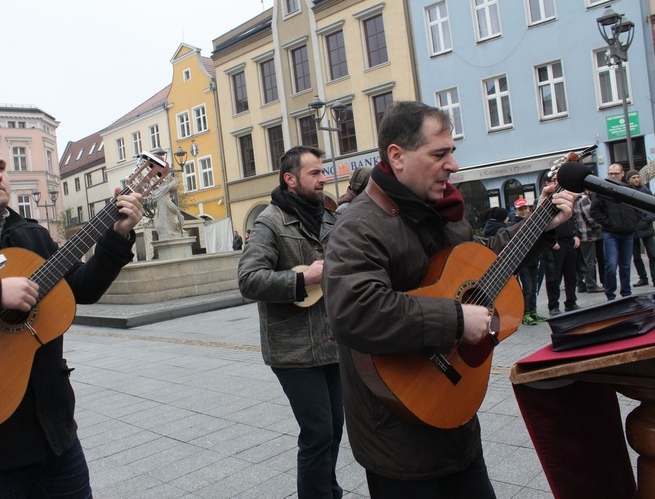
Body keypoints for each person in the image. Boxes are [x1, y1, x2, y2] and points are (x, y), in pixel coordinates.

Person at [322, 101, 575, 498]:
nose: (454, 165)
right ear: (397, 157)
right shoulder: (358, 226)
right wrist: (456, 319)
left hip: (457, 421)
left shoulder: (445, 212)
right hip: (398, 437)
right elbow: (355, 311)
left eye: (452, 151)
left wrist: (540, 223)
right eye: (440, 154)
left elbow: (481, 263)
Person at [0, 125, 144, 497]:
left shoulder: (31, 235)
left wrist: (116, 237)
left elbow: (82, 290)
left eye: (0, 164)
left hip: (55, 438)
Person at [237, 145, 343, 498]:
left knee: (335, 428)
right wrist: (303, 280)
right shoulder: (270, 221)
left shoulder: (330, 217)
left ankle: (328, 489)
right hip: (293, 350)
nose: (323, 178)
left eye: (322, 171)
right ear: (290, 179)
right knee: (317, 432)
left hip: (333, 343)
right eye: (314, 173)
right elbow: (248, 280)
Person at [591, 163, 639, 300]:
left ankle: (626, 293)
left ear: (622, 174)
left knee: (625, 265)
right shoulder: (602, 190)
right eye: (610, 173)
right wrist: (608, 222)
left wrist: (633, 222)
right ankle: (610, 294)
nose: (612, 176)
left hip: (627, 233)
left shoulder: (629, 189)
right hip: (610, 232)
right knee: (611, 264)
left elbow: (638, 208)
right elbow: (594, 210)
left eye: (615, 173)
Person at [543, 172, 580, 316]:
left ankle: (571, 302)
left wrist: (576, 235)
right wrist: (552, 241)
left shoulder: (566, 197)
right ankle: (553, 306)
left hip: (569, 241)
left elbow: (574, 217)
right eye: (554, 180)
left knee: (571, 275)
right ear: (548, 183)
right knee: (554, 277)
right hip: (555, 244)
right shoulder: (546, 199)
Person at [510, 198, 546, 325]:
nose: (524, 211)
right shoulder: (514, 224)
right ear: (516, 211)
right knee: (528, 288)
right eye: (520, 209)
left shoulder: (531, 221)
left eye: (525, 208)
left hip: (534, 259)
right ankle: (525, 313)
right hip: (523, 261)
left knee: (534, 287)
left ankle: (533, 311)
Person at [626, 170, 655, 287]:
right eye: (634, 177)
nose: (637, 179)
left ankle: (654, 277)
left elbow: (652, 208)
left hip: (646, 228)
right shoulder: (626, 191)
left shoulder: (645, 191)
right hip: (632, 230)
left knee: (652, 254)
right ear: (629, 179)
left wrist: (646, 221)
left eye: (638, 177)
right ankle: (643, 277)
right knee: (636, 256)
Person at [572, 190, 605, 293]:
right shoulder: (583, 199)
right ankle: (591, 284)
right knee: (589, 261)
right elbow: (590, 217)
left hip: (579, 235)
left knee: (582, 261)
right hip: (589, 234)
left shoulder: (572, 201)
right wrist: (600, 225)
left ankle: (582, 285)